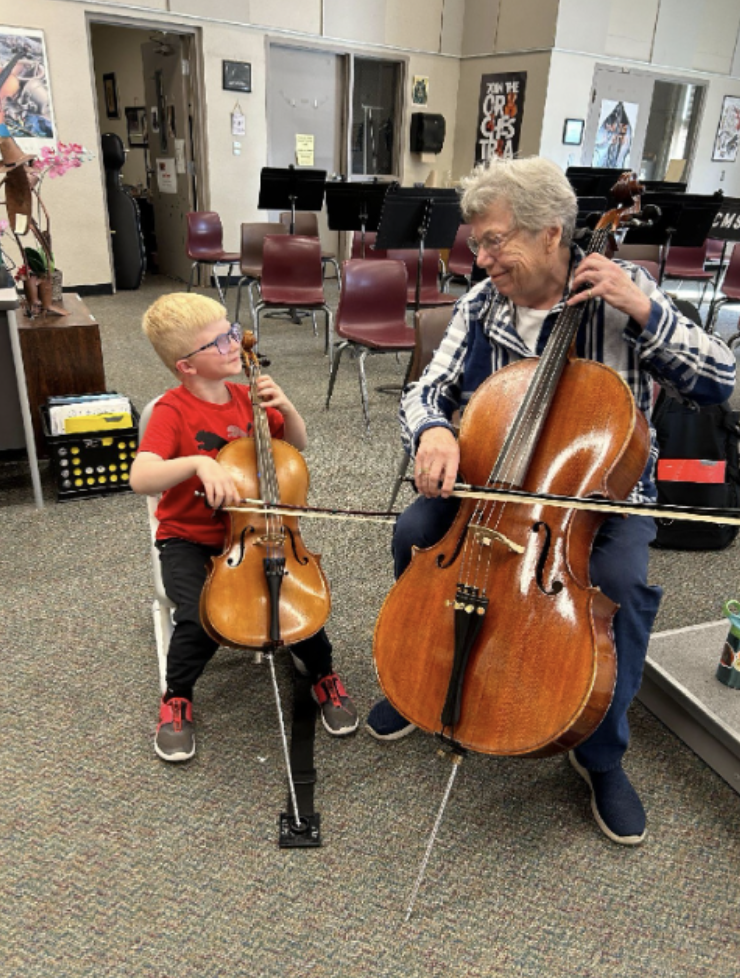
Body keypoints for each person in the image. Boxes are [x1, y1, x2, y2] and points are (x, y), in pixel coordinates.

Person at [366, 157, 736, 845]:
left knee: (620, 585)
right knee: (414, 529)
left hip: (595, 501)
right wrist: (434, 430)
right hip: (492, 487)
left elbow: (720, 380)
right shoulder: (482, 303)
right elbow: (427, 388)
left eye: (494, 239)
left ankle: (600, 751)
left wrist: (647, 312)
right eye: (475, 241)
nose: (481, 257)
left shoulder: (626, 292)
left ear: (552, 233)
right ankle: (419, 677)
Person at [131, 292, 358, 762]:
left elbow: (294, 449)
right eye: (218, 342)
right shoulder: (173, 412)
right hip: (190, 540)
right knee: (198, 614)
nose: (234, 343)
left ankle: (323, 675)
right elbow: (141, 476)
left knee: (302, 599)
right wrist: (196, 462)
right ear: (186, 366)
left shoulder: (248, 400)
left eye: (232, 331)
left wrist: (288, 408)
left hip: (262, 534)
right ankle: (177, 697)